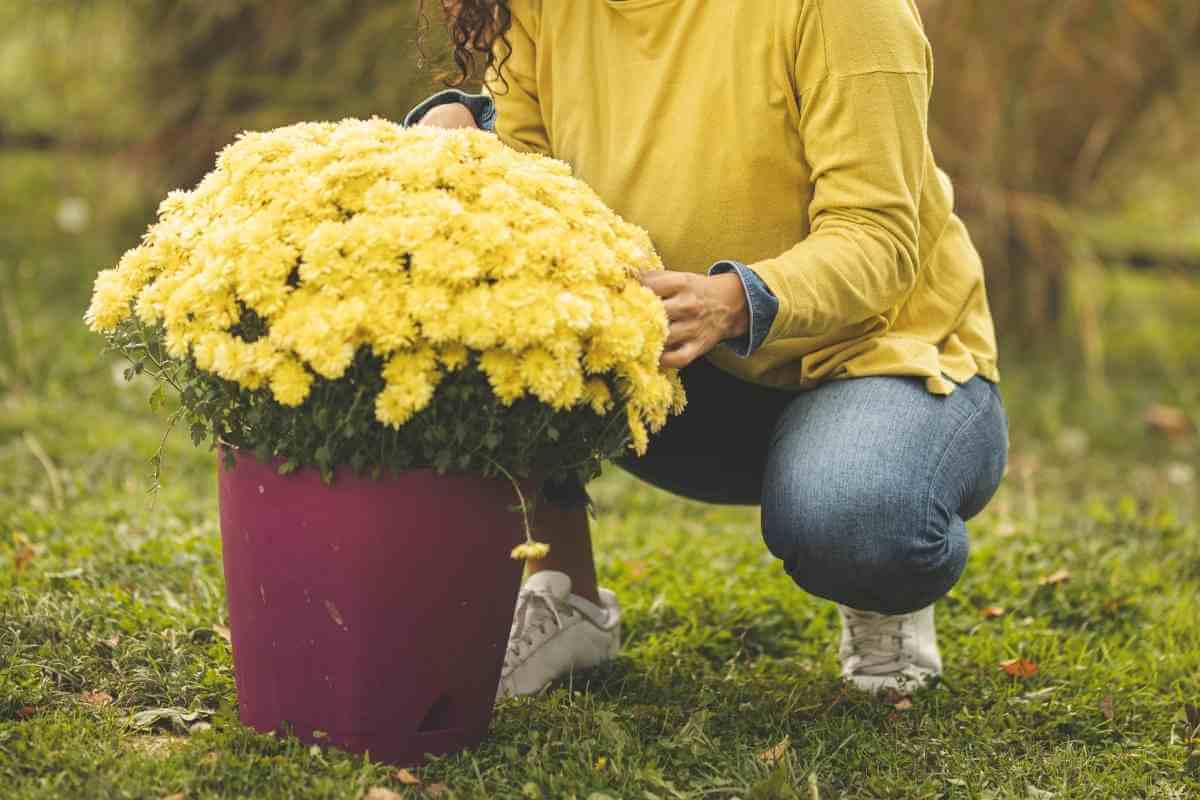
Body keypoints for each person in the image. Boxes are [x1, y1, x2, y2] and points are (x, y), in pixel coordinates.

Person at [407, 0, 1008, 698]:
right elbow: (533, 180)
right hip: (683, 372)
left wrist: (733, 300)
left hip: (874, 361)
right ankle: (566, 591)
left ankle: (882, 589)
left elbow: (878, 239)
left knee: (855, 516)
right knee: (464, 261)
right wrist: (461, 132)